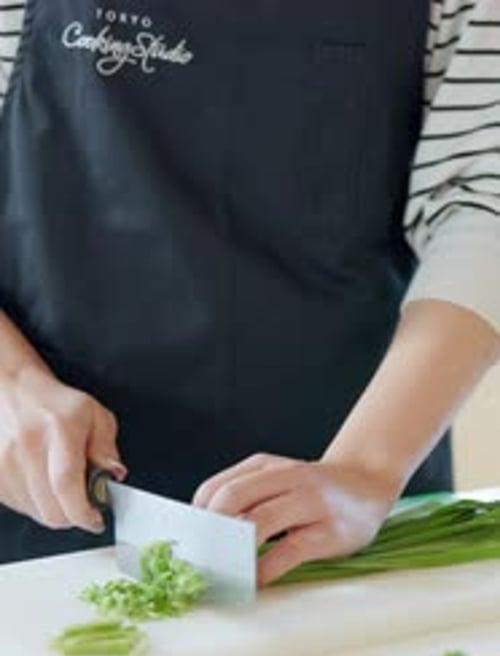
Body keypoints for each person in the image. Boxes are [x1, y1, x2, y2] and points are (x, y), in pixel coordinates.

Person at [0, 1, 499, 585]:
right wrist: (8, 384)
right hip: (39, 490)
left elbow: (483, 200)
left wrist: (366, 468)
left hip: (334, 508)